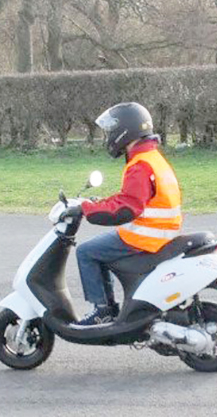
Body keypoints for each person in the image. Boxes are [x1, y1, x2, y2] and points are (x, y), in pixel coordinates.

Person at [62, 102, 182, 326]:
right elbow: (131, 197)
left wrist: (86, 209)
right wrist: (98, 203)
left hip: (144, 239)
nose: (109, 136)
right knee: (97, 249)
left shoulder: (140, 165)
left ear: (125, 130)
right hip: (162, 235)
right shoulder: (153, 159)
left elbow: (127, 208)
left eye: (111, 130)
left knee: (87, 252)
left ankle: (102, 309)